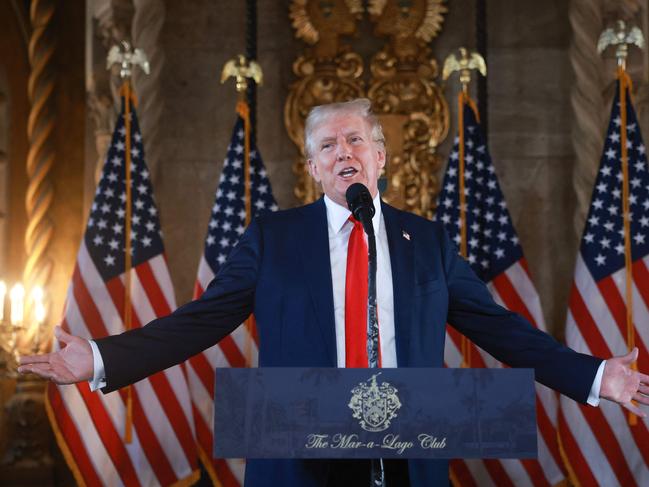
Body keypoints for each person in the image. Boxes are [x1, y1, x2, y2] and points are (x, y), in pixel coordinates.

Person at [19, 99, 649, 486]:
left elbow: (501, 327)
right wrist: (100, 357)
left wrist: (598, 377)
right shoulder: (272, 237)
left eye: (355, 140)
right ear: (313, 167)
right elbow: (199, 321)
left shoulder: (425, 242)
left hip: (408, 458)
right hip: (300, 461)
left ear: (380, 158)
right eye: (328, 145)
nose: (343, 151)